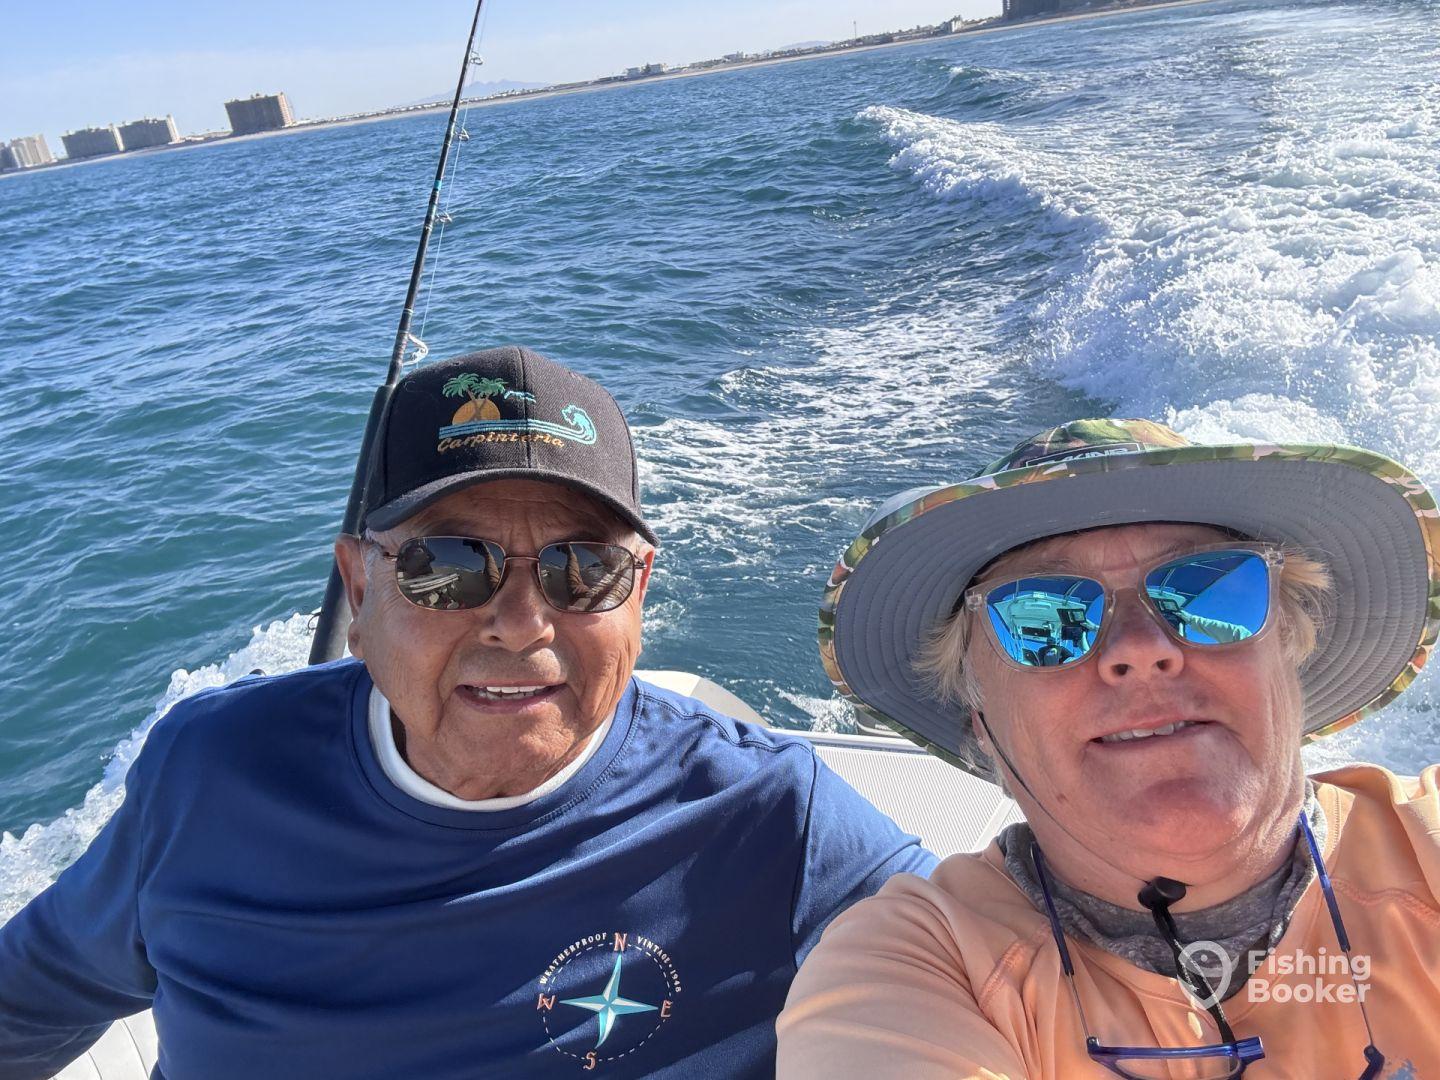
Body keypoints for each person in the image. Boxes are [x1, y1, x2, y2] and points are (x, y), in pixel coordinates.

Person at [0, 346, 935, 1080]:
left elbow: (1006, 975)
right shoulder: (206, 773)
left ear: (639, 593)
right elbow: (28, 1002)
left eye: (585, 568)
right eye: (448, 566)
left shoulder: (773, 819)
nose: (523, 624)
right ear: (358, 587)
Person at [779, 419, 1440, 1079]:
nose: (1139, 648)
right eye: (1044, 618)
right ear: (982, 718)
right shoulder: (910, 972)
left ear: (1290, 651)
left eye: (1211, 591)